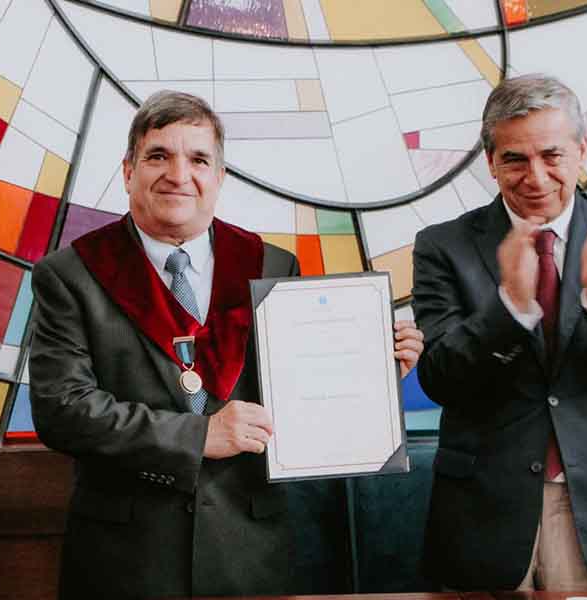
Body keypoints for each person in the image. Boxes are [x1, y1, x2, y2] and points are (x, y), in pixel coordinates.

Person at [29, 90, 424, 599]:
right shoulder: (70, 275)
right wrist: (197, 436)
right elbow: (64, 410)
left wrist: (368, 375)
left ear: (219, 177)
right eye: (158, 156)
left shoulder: (271, 266)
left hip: (250, 550)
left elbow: (294, 396)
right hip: (124, 558)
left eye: (198, 159)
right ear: (128, 172)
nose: (178, 174)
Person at [413, 73, 587, 591]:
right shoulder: (443, 246)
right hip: (482, 516)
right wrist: (509, 306)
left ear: (580, 150)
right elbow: (439, 378)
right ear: (490, 162)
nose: (535, 177)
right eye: (514, 159)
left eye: (552, 155)